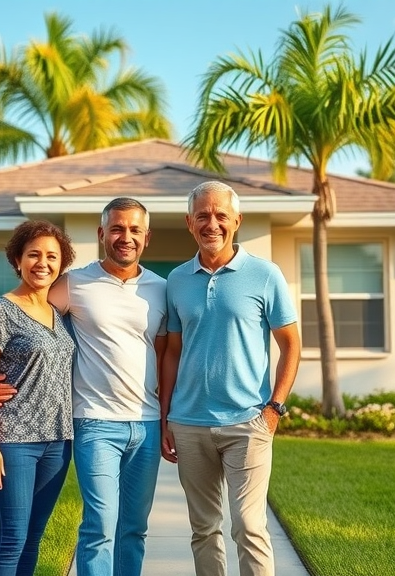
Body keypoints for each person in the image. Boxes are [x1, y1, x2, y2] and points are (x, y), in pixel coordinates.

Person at [0, 198, 167, 576]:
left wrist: (168, 419)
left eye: (135, 230)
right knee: (100, 526)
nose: (126, 237)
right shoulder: (74, 284)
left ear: (147, 237)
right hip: (95, 423)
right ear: (101, 233)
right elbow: (21, 316)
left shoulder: (161, 288)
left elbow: (169, 356)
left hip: (148, 425)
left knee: (134, 529)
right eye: (117, 228)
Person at [159, 181, 301, 576]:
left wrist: (274, 409)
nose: (212, 223)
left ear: (236, 221)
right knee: (203, 529)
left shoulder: (264, 274)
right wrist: (166, 418)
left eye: (221, 215)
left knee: (250, 526)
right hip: (189, 424)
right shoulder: (176, 281)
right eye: (202, 215)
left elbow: (291, 346)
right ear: (190, 223)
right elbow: (172, 352)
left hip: (248, 422)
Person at [0, 219, 77, 576]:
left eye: (51, 256)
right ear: (18, 259)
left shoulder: (57, 314)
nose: (42, 263)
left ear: (61, 264)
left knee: (33, 537)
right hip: (13, 442)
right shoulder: (2, 310)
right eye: (33, 254)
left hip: (58, 443)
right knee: (11, 538)